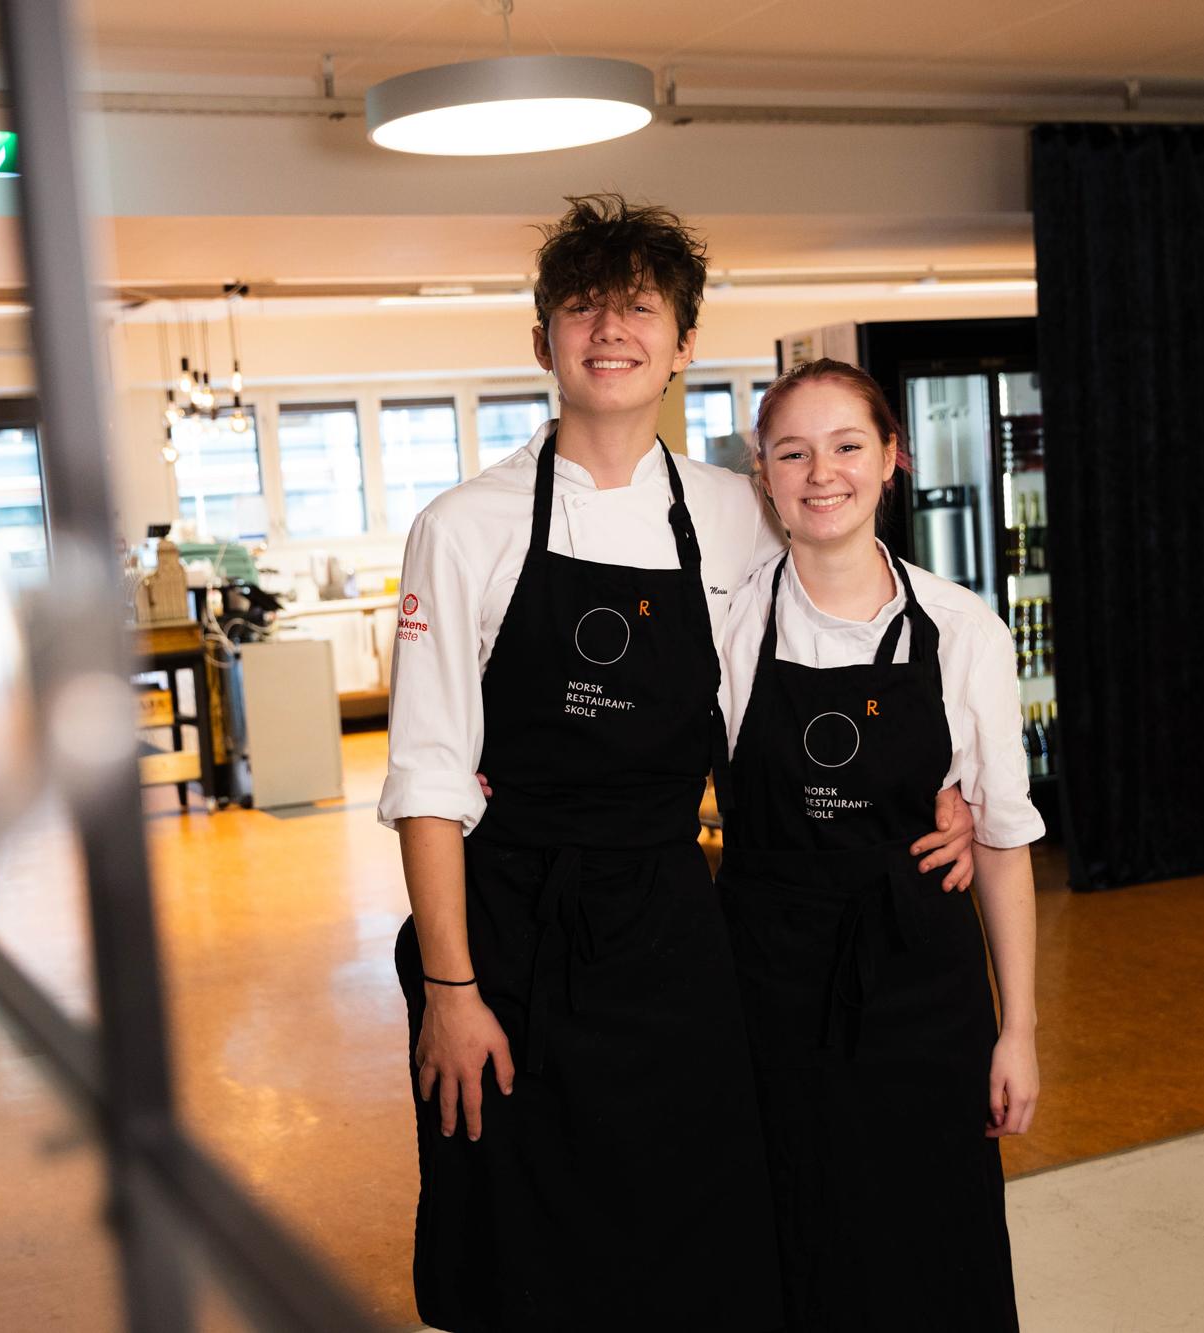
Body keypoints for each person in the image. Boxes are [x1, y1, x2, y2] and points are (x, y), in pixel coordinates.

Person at [378, 197, 977, 1331]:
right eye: (580, 307)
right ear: (542, 336)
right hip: (504, 931)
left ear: (682, 343)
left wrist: (959, 778)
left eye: (637, 308)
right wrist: (450, 990)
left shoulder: (731, 513)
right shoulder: (462, 526)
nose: (609, 330)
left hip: (667, 929)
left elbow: (868, 601)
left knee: (693, 1226)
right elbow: (428, 775)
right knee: (519, 1239)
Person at [716, 358, 1040, 1331]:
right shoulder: (724, 622)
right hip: (765, 990)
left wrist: (1015, 1028)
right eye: (793, 451)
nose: (822, 473)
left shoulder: (963, 628)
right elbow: (640, 765)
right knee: (789, 1237)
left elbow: (1001, 837)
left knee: (933, 1244)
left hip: (919, 990)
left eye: (847, 445)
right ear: (762, 476)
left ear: (889, 458)